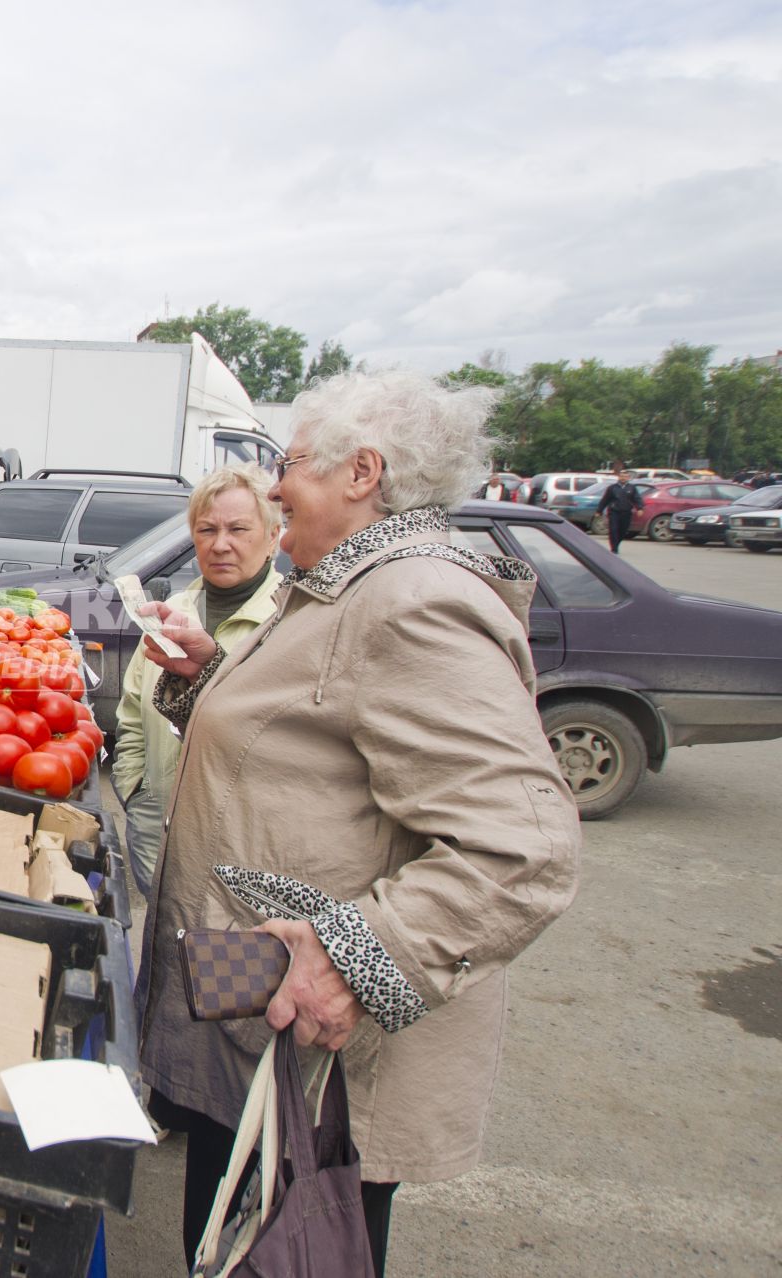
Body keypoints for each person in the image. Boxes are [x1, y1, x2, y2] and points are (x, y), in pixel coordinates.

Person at [133, 369, 580, 1275]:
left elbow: (521, 848)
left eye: (289, 464)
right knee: (228, 1243)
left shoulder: (409, 600)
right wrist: (212, 680)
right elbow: (316, 746)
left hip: (317, 1049)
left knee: (285, 1250)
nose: (270, 489)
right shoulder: (346, 584)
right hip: (256, 1009)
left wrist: (355, 962)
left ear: (361, 474)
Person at [111, 464, 281, 906]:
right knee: (160, 937)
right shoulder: (169, 613)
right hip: (156, 825)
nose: (220, 544)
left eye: (238, 529)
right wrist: (135, 790)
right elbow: (132, 709)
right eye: (206, 529)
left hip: (241, 848)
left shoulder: (289, 623)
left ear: (274, 536)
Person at [595, 467, 644, 553]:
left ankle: (616, 544)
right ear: (618, 477)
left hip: (626, 512)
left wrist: (640, 508)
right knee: (613, 530)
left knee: (623, 531)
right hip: (614, 512)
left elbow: (637, 499)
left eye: (625, 476)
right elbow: (605, 500)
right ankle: (614, 549)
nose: (623, 478)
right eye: (621, 476)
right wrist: (599, 510)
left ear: (628, 478)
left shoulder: (631, 488)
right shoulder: (612, 488)